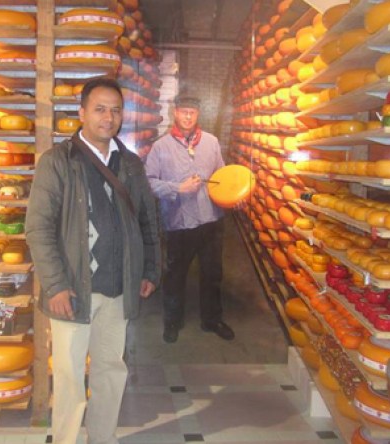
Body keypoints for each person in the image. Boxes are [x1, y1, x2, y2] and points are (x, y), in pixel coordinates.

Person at [25, 78, 161, 444]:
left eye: (115, 110)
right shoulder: (58, 162)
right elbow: (38, 227)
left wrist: (149, 269)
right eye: (100, 109)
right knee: (69, 378)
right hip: (73, 291)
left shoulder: (130, 164)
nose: (108, 117)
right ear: (82, 113)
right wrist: (55, 285)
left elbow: (148, 220)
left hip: (118, 289)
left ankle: (102, 437)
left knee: (110, 371)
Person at [144, 96, 235, 344]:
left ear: (198, 114)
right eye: (183, 111)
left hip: (210, 220)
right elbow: (149, 182)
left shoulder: (211, 142)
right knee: (175, 275)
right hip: (179, 223)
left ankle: (212, 320)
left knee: (212, 274)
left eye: (192, 112)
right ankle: (173, 321)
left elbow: (222, 177)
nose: (187, 117)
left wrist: (234, 196)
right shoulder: (161, 147)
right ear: (175, 113)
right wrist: (177, 188)